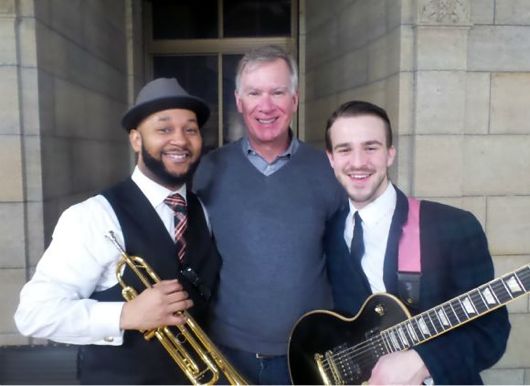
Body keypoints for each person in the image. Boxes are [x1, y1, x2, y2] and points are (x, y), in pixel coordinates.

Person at [14, 78, 221, 384]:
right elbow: (34, 315)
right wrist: (125, 315)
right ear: (136, 140)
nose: (180, 140)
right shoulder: (93, 216)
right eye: (163, 129)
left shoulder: (200, 209)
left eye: (190, 129)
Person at [324, 100, 511, 384]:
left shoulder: (452, 226)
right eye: (345, 149)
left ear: (390, 154)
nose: (358, 161)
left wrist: (423, 361)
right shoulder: (329, 231)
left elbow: (491, 333)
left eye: (371, 147)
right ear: (331, 159)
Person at [193, 45, 345, 385]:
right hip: (227, 353)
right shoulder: (207, 171)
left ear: (294, 99)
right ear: (239, 101)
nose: (266, 105)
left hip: (308, 354)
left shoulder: (329, 169)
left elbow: (346, 261)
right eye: (254, 93)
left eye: (277, 92)